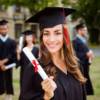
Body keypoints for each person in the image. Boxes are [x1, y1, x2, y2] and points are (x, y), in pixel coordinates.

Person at [19, 7, 87, 100]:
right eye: (46, 33)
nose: (51, 39)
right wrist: (46, 97)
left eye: (57, 33)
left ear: (65, 35)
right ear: (42, 37)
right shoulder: (34, 69)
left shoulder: (76, 65)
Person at [73, 23, 94, 95]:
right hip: (81, 64)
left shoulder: (84, 40)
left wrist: (90, 54)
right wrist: (86, 54)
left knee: (86, 77)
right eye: (84, 30)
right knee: (82, 79)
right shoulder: (75, 41)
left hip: (86, 63)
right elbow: (75, 54)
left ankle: (87, 92)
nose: (86, 32)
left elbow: (85, 50)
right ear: (79, 31)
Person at [0, 19, 17, 100]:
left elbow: (13, 54)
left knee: (8, 79)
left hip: (8, 66)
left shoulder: (12, 41)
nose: (3, 30)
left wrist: (4, 61)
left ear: (8, 29)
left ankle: (8, 95)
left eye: (5, 28)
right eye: (1, 29)